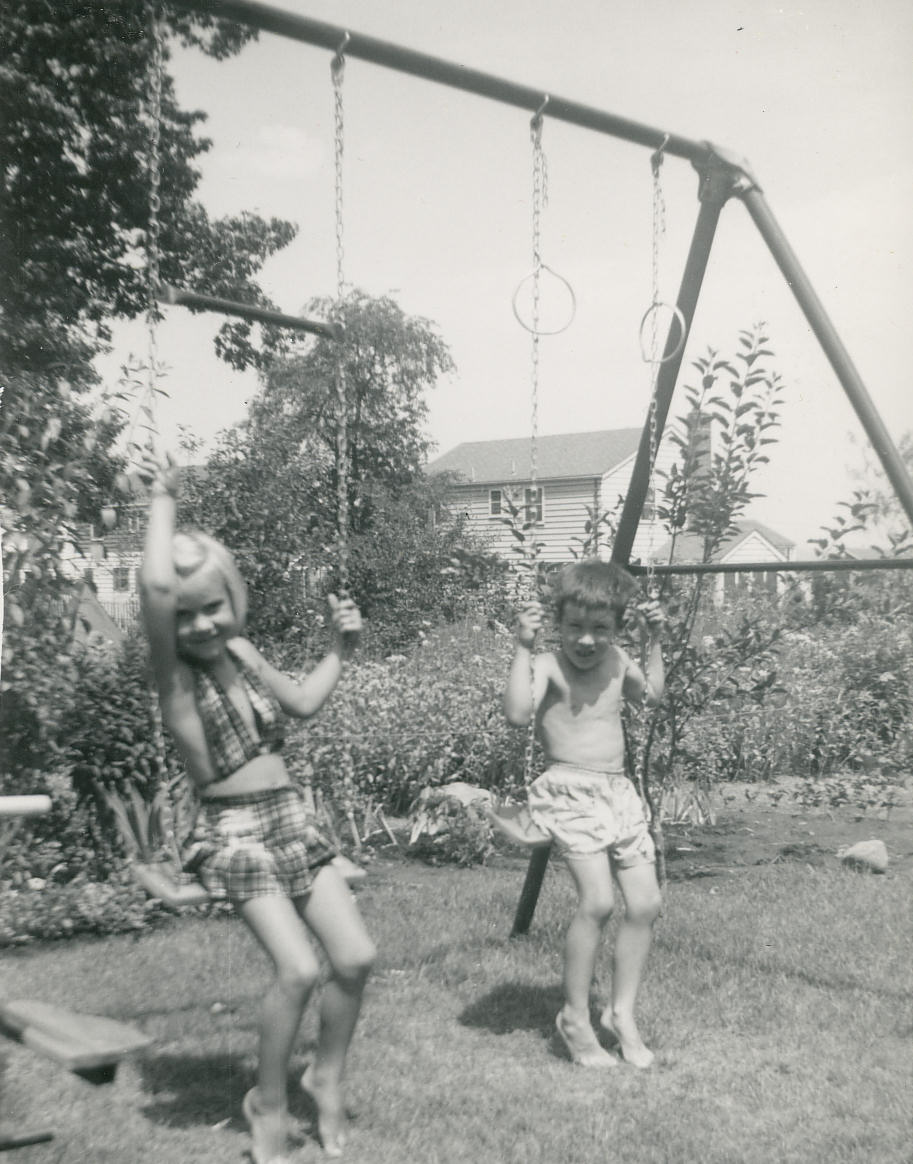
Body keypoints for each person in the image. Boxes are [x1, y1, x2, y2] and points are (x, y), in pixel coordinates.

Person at [139, 455, 375, 1162]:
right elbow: (155, 583)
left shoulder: (240, 650)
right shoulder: (173, 675)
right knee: (298, 970)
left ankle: (323, 1076)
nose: (203, 624)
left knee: (356, 957)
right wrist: (160, 499)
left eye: (213, 605)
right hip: (233, 831)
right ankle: (265, 1103)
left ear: (232, 597)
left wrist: (340, 648)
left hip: (290, 819)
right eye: (185, 615)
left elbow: (300, 703)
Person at [498, 559, 665, 1070]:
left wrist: (654, 641)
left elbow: (652, 696)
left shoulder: (617, 661)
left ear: (616, 627)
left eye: (600, 629)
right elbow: (518, 714)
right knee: (595, 901)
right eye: (575, 627)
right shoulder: (547, 664)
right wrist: (523, 648)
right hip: (569, 791)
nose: (587, 641)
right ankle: (574, 1017)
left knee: (645, 902)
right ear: (557, 622)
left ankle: (620, 1013)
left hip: (618, 794)